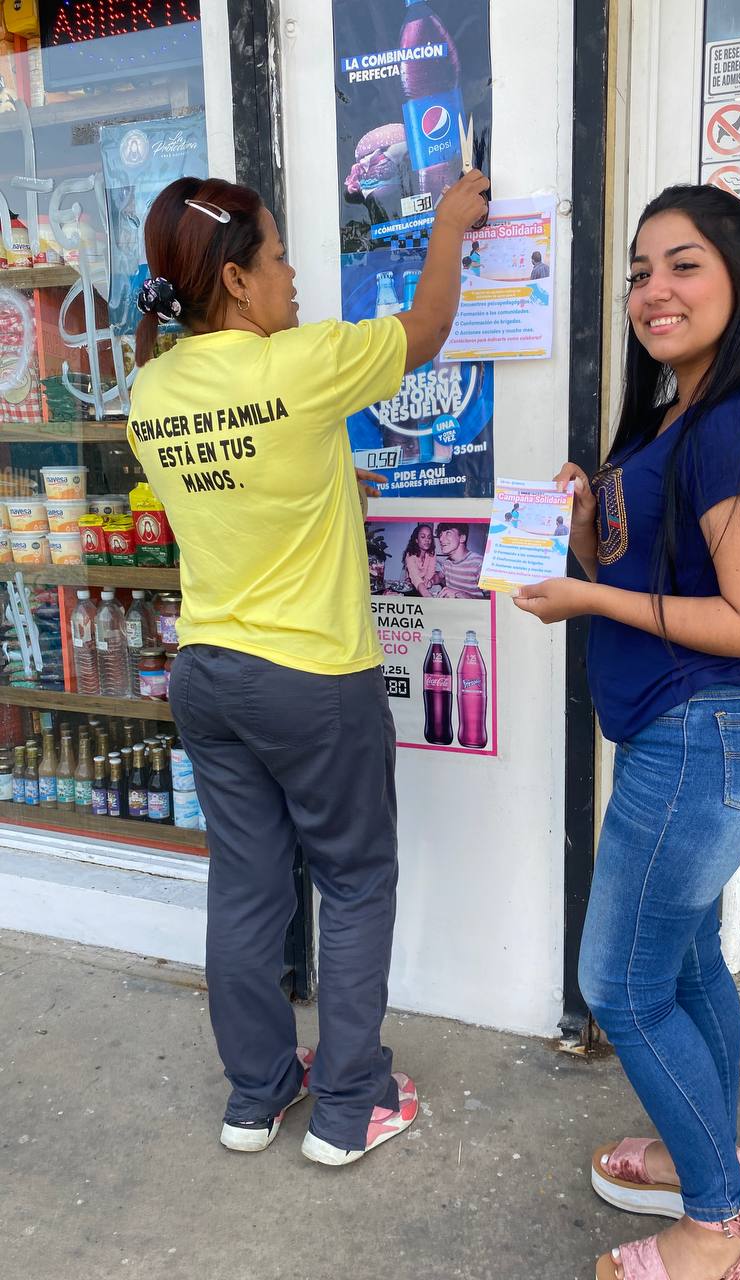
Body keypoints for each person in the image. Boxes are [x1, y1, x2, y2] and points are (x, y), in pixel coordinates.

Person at [127, 169, 489, 1166]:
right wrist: (451, 226)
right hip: (311, 679)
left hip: (206, 673)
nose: (292, 276)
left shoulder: (150, 388)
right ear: (238, 283)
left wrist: (336, 474)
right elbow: (425, 331)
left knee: (246, 888)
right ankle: (348, 1106)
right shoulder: (301, 363)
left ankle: (256, 1096)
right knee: (357, 879)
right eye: (280, 257)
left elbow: (242, 484)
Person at [514, 184, 740, 1280]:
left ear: (737, 281)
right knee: (685, 965)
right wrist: (589, 536)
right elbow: (654, 576)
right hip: (693, 743)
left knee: (620, 987)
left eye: (683, 264)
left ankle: (719, 1225)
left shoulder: (731, 427)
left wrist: (592, 602)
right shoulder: (674, 416)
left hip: (702, 741)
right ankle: (703, 1159)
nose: (653, 290)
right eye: (639, 269)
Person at [435, 521, 485, 598]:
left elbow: (494, 602)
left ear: (462, 538)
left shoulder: (479, 563)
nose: (441, 539)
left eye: (448, 533)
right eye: (440, 534)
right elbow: (439, 576)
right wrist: (431, 580)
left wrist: (459, 595)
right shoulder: (447, 563)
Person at [403, 522, 441, 597]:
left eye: (429, 537)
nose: (427, 540)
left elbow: (431, 571)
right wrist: (426, 594)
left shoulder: (432, 553)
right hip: (412, 583)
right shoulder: (410, 555)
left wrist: (428, 581)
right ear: (416, 540)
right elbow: (415, 577)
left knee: (438, 588)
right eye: (423, 537)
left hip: (425, 584)